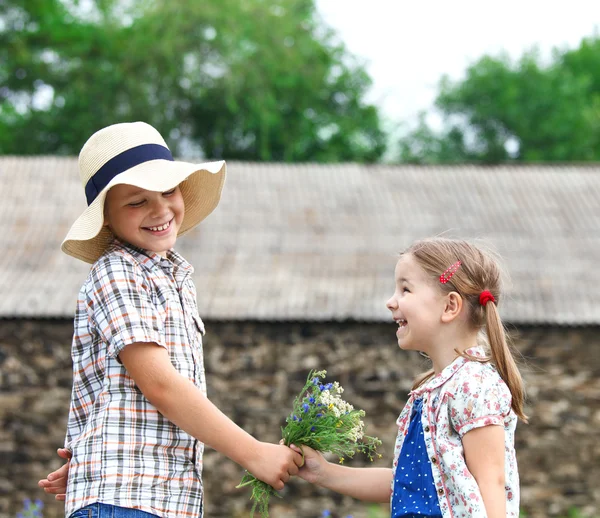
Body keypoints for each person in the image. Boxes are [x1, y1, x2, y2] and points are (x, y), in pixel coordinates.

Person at [37, 121, 302, 518]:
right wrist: (254, 453)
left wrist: (92, 450)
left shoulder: (174, 277)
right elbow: (160, 384)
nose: (160, 210)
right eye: (136, 201)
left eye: (167, 191)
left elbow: (117, 395)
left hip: (157, 497)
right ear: (105, 217)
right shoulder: (119, 272)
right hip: (128, 499)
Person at [289, 238, 527, 518]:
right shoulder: (431, 393)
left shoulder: (473, 386)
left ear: (450, 306)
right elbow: (405, 484)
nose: (391, 302)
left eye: (405, 289)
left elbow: (491, 482)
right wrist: (324, 473)